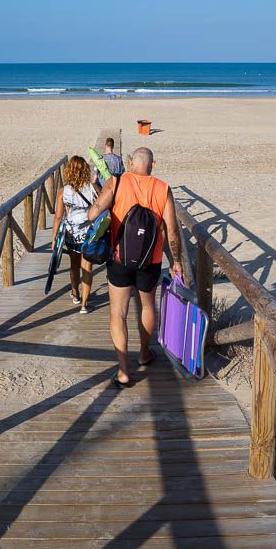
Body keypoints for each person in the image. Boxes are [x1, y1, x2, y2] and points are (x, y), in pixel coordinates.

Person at [81, 147, 182, 388]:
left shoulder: (117, 182)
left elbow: (92, 214)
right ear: (152, 165)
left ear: (130, 162)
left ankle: (124, 371)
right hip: (150, 261)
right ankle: (145, 352)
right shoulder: (163, 188)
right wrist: (175, 261)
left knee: (118, 313)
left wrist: (102, 206)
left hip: (120, 259)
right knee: (147, 306)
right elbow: (172, 231)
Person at [52, 155, 99, 315]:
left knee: (74, 265)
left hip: (71, 233)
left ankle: (75, 293)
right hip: (89, 233)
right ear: (85, 170)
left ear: (69, 171)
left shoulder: (63, 191)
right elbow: (102, 208)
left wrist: (54, 238)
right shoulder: (93, 188)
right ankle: (84, 305)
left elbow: (58, 217)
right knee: (87, 267)